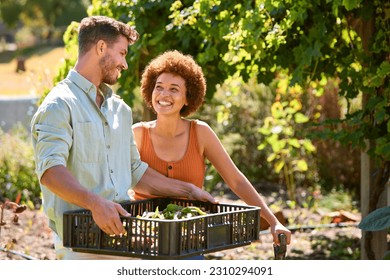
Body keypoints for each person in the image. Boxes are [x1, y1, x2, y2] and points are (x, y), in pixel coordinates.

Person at [30, 16, 216, 260]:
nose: (125, 63)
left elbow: (135, 171)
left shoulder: (120, 110)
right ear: (100, 48)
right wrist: (96, 204)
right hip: (82, 246)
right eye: (122, 53)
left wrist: (189, 191)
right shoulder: (59, 105)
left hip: (125, 239)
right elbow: (51, 171)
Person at [132, 50, 292, 250]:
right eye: (159, 87)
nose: (164, 94)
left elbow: (236, 180)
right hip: (144, 238)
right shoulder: (137, 134)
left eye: (174, 89)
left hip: (189, 239)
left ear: (187, 97)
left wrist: (273, 221)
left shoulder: (200, 133)